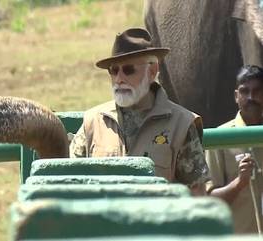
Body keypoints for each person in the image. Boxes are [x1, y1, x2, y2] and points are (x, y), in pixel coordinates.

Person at [69, 28, 209, 195]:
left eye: (128, 69)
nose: (119, 79)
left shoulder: (182, 124)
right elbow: (71, 182)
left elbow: (197, 194)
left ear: (152, 71)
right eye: (114, 71)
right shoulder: (93, 122)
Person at [206, 65, 263, 234]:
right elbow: (209, 202)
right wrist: (240, 183)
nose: (251, 97)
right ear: (236, 96)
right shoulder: (219, 139)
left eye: (257, 91)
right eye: (245, 91)